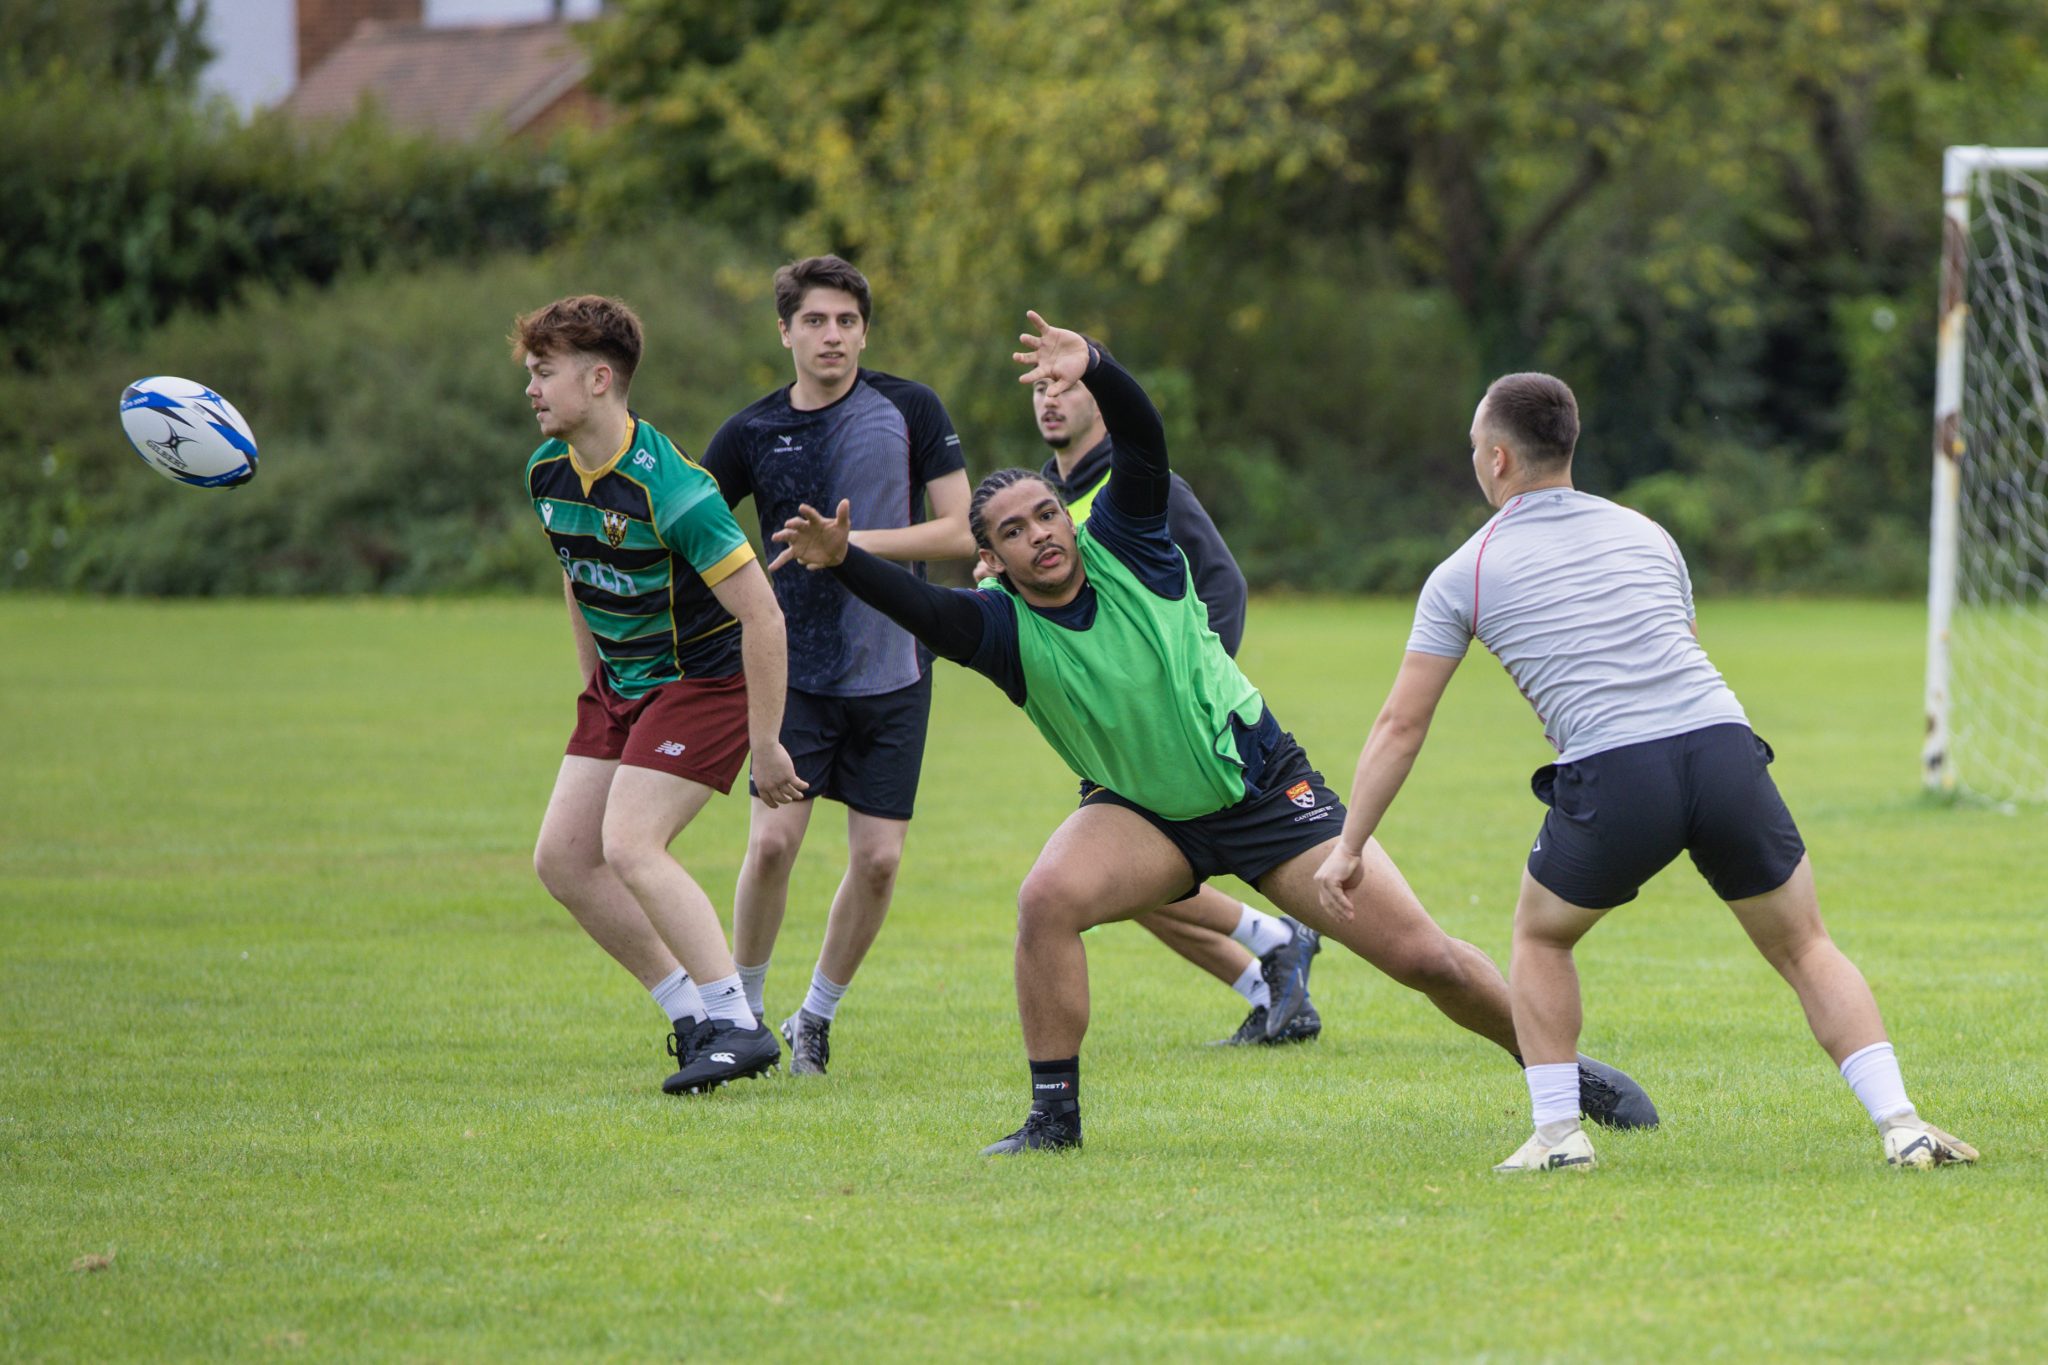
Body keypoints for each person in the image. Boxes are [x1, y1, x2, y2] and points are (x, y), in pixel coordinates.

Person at [773, 312, 1658, 1154]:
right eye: (1013, 531)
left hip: (1266, 791)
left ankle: (1560, 1071)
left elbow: (1146, 442)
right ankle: (1053, 1119)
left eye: (1046, 514)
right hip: (1144, 815)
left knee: (1424, 958)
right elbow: (921, 607)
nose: (1040, 534)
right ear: (990, 559)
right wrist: (844, 559)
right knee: (1046, 899)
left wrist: (1101, 370)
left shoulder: (1130, 537)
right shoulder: (996, 627)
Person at [1313, 371, 1979, 1173]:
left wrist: (1350, 845)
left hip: (1617, 770)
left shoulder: (1469, 569)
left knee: (1540, 933)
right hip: (1724, 746)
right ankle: (1902, 1123)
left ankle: (1559, 1136)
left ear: (1496, 459)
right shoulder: (1647, 532)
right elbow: (1681, 646)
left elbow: (1401, 724)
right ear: (1568, 444)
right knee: (1805, 944)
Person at [519, 294, 803, 1096]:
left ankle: (740, 1026)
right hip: (623, 686)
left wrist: (769, 739)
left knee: (631, 843)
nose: (532, 390)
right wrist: (594, 684)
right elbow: (576, 576)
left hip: (702, 682)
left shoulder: (676, 489)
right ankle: (691, 1016)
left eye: (546, 373)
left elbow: (763, 614)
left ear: (600, 379)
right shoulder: (545, 471)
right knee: (564, 860)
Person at [700, 256, 975, 1077]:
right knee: (775, 843)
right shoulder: (750, 432)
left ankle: (814, 1016)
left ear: (864, 332)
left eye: (847, 322)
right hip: (794, 675)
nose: (832, 336)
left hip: (895, 666)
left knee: (881, 860)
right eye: (815, 321)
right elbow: (693, 532)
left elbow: (961, 530)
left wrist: (849, 549)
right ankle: (742, 1012)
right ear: (783, 331)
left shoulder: (910, 407)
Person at [1026, 375, 1322, 1047]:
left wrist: (1191, 688)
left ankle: (1277, 945)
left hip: (1192, 734)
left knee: (1110, 880)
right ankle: (1273, 965)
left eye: (1065, 386)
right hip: (1119, 740)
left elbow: (1223, 582)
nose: (1050, 399)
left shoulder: (1140, 483)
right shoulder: (1046, 504)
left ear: (1099, 400)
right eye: (1038, 388)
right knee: (1111, 886)